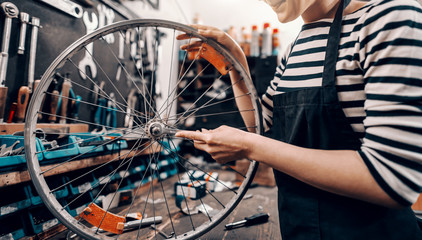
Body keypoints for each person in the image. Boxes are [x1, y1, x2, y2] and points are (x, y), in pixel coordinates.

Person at [176, 0, 422, 239]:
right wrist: (237, 64)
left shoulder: (390, 18)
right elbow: (262, 125)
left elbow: (392, 178)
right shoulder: (296, 46)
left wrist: (251, 147)